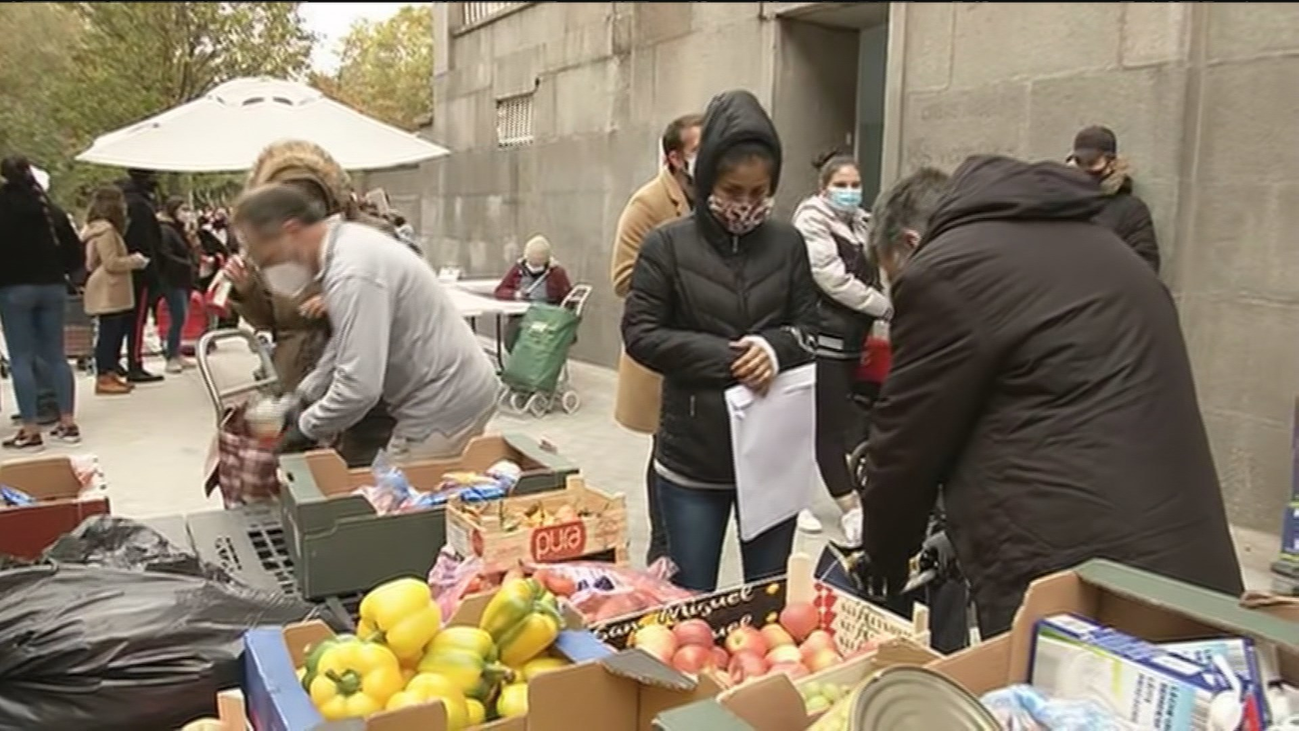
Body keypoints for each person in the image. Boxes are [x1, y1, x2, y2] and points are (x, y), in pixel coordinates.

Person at [859, 155, 1243, 637]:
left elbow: (906, 445)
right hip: (1190, 571)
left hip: (1085, 588)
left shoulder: (946, 271)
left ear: (910, 244)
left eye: (893, 278)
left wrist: (885, 562)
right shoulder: (1104, 247)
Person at [621, 90, 818, 592]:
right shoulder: (666, 245)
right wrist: (730, 358)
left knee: (769, 601)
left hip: (772, 454)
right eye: (734, 190)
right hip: (693, 458)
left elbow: (812, 328)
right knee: (689, 602)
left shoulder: (789, 244)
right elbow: (641, 333)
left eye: (760, 192)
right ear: (707, 178)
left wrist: (775, 349)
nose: (746, 205)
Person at [232, 183, 499, 463]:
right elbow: (346, 345)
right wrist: (304, 397)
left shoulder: (352, 272)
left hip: (444, 402)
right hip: (449, 392)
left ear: (291, 231)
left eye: (269, 258)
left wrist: (305, 427)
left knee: (393, 498)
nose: (269, 270)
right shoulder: (346, 245)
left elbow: (358, 389)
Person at [224, 140, 398, 467]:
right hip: (295, 376)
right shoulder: (274, 247)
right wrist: (246, 289)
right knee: (299, 479)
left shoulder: (371, 235)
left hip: (363, 383)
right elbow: (271, 321)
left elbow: (398, 304)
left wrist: (343, 300)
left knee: (358, 480)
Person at [611, 112, 702, 564]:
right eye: (699, 149)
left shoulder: (714, 196)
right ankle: (662, 546)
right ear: (675, 157)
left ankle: (680, 540)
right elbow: (622, 277)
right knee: (665, 447)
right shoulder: (647, 204)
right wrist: (679, 265)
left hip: (701, 348)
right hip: (663, 348)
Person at [792, 152, 892, 542]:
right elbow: (832, 279)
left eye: (855, 185)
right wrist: (885, 308)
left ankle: (797, 496)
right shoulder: (811, 221)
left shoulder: (862, 222)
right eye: (842, 185)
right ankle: (850, 508)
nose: (850, 192)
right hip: (824, 338)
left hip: (852, 340)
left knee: (820, 422)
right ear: (824, 188)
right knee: (825, 426)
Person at [0, 156, 84, 448]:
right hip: (52, 286)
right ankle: (68, 421)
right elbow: (75, 250)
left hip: (13, 288)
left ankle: (31, 427)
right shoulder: (50, 210)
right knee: (57, 356)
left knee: (21, 358)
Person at [82, 187, 149, 395]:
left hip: (108, 286)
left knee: (112, 331)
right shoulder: (107, 231)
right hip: (109, 287)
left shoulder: (95, 229)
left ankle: (110, 373)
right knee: (109, 333)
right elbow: (110, 262)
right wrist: (135, 261)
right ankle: (104, 375)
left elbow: (91, 262)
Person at [1067, 125, 1160, 273]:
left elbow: (1145, 268)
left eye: (1092, 163)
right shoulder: (1060, 204)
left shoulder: (1130, 210)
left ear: (1111, 163)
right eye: (1079, 163)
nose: (1084, 171)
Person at [117, 168, 165, 383]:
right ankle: (135, 363)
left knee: (122, 319)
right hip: (141, 269)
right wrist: (153, 268)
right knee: (137, 319)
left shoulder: (126, 201)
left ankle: (115, 361)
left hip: (127, 268)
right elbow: (147, 241)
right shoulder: (140, 206)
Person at [157, 196, 198, 373]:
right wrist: (186, 264)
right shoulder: (166, 230)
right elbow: (165, 255)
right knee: (178, 316)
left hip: (183, 278)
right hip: (172, 279)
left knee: (183, 317)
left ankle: (177, 351)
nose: (186, 214)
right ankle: (171, 354)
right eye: (183, 210)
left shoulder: (179, 230)